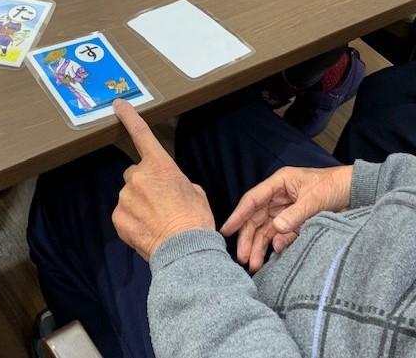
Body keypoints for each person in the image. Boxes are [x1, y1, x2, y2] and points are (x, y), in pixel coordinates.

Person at [27, 59, 416, 357]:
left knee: (72, 181)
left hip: (271, 333)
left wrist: (184, 251)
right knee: (213, 113)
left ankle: (95, 335)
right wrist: (362, 181)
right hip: (370, 225)